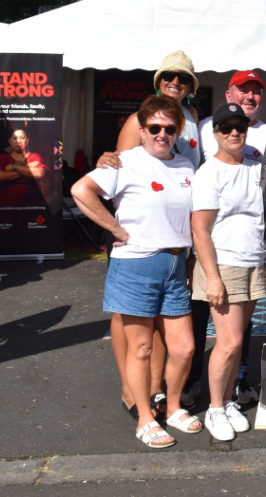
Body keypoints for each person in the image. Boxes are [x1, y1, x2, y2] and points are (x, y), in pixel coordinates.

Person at [71, 94, 203, 449]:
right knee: (141, 348)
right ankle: (145, 418)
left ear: (178, 131)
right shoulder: (124, 163)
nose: (162, 134)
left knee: (184, 348)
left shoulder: (185, 167)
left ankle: (172, 407)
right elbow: (81, 190)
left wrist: (190, 258)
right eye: (155, 127)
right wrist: (115, 229)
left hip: (175, 264)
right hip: (136, 264)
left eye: (169, 128)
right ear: (142, 130)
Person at [95, 51, 203, 418]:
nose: (177, 82)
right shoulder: (138, 119)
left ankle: (154, 388)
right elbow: (117, 167)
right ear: (158, 80)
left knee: (161, 323)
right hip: (139, 238)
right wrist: (119, 228)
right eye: (170, 76)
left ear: (191, 87)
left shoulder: (191, 117)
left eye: (184, 78)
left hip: (174, 233)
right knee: (129, 317)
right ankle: (130, 388)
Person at [190, 103, 265, 441]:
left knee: (238, 342)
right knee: (229, 341)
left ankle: (230, 400)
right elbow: (200, 229)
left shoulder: (255, 163)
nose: (234, 132)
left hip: (253, 261)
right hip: (223, 264)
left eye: (241, 126)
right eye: (226, 127)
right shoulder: (210, 172)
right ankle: (215, 408)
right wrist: (213, 277)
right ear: (215, 132)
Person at [198, 70, 266, 159]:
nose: (250, 97)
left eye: (256, 92)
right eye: (243, 90)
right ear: (229, 96)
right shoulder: (204, 127)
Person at [0, 129, 47, 208]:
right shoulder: (3, 157)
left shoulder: (34, 156)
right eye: (15, 138)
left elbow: (39, 174)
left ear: (27, 140)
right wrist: (27, 167)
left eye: (22, 138)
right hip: (6, 208)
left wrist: (14, 167)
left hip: (31, 207)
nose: (18, 141)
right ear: (10, 141)